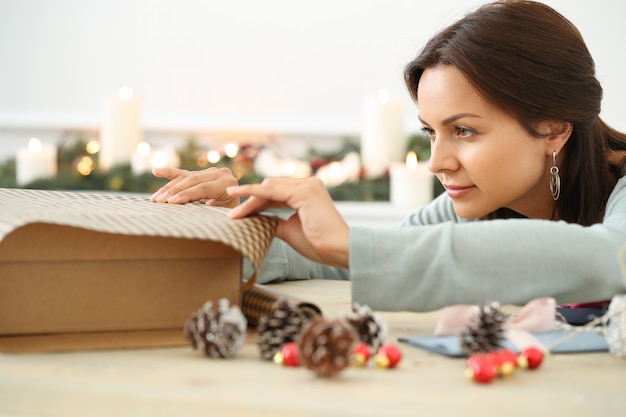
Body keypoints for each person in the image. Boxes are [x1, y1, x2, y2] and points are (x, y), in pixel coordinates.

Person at [151, 0, 626, 312]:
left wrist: (352, 248)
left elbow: (607, 257)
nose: (438, 162)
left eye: (464, 130)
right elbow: (353, 259)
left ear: (554, 129)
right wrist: (237, 223)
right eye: (430, 132)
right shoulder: (471, 209)